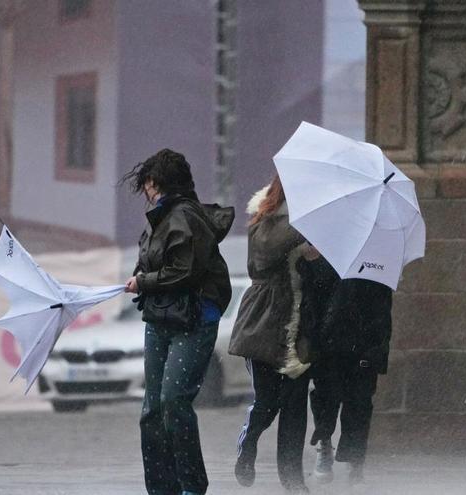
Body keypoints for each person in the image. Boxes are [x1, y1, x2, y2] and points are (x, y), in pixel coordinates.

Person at [121, 148, 234, 495]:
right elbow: (151, 262)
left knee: (173, 400)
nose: (146, 190)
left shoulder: (186, 217)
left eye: (148, 183)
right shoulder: (158, 219)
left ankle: (191, 486)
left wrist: (144, 282)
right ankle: (161, 489)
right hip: (160, 318)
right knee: (152, 410)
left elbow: (185, 271)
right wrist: (140, 276)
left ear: (159, 183)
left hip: (193, 320)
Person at [227, 176, 318, 493]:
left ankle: (293, 481)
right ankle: (248, 443)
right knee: (267, 402)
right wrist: (303, 233)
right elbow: (266, 252)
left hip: (299, 326)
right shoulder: (265, 217)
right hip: (264, 321)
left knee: (295, 406)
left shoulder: (312, 224)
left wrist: (317, 255)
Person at [307, 277, 393, 485]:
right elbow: (313, 302)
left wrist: (376, 352)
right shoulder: (326, 265)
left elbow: (382, 314)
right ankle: (325, 444)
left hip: (363, 346)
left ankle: (355, 462)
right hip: (330, 345)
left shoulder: (376, 272)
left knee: (359, 404)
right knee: (325, 399)